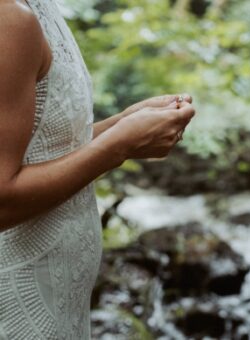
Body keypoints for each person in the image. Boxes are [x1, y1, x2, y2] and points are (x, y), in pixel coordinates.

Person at [0, 0, 196, 338]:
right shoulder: (9, 19)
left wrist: (123, 126)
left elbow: (39, 145)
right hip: (20, 303)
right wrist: (118, 145)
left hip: (58, 297)